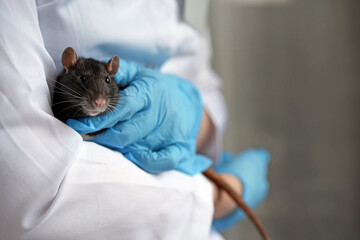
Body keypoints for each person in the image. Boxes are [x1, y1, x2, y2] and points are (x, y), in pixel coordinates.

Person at [0, 0, 270, 239]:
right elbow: (27, 185)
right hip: (103, 207)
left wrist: (192, 119)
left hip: (178, 190)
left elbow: (202, 82)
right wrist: (216, 199)